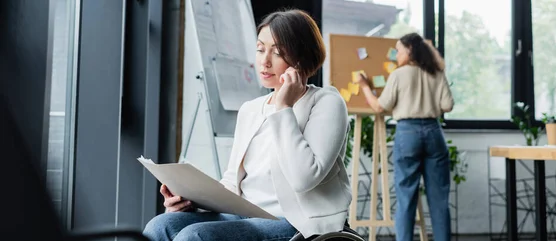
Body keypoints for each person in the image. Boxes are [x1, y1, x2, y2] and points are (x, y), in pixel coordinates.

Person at [143, 9, 352, 241]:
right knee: (160, 225)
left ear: (301, 58)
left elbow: (304, 178)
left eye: (278, 52)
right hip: (243, 214)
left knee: (196, 236)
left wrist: (284, 108)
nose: (265, 61)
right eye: (260, 49)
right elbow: (233, 183)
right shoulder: (250, 109)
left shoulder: (326, 103)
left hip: (297, 222)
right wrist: (191, 202)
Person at [357, 33, 454, 241]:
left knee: (406, 198)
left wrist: (365, 87)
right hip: (434, 133)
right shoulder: (436, 73)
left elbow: (380, 107)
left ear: (410, 50)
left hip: (407, 133)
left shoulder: (399, 75)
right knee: (439, 201)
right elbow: (448, 105)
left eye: (399, 50)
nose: (396, 55)